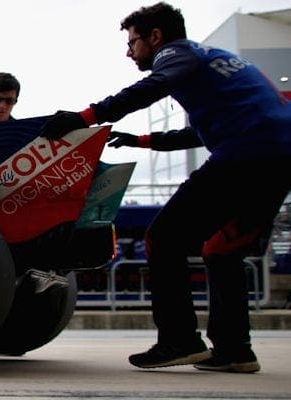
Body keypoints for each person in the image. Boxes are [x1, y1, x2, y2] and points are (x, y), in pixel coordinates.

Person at [38, 2, 291, 373]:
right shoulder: (214, 63)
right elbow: (196, 134)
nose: (129, 52)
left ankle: (179, 339)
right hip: (279, 159)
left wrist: (85, 117)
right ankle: (235, 350)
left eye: (133, 42)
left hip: (247, 153)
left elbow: (152, 87)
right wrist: (139, 141)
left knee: (163, 238)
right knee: (223, 251)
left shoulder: (176, 53)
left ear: (155, 37)